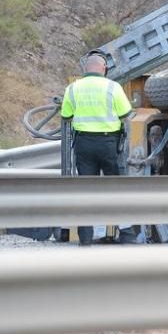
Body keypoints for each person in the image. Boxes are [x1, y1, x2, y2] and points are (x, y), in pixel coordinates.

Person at [60, 50, 134, 245]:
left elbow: (66, 116)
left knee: (87, 191)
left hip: (84, 145)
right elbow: (126, 113)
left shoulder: (73, 88)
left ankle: (86, 238)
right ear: (104, 69)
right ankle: (127, 236)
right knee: (116, 190)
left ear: (86, 68)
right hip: (109, 144)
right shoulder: (113, 87)